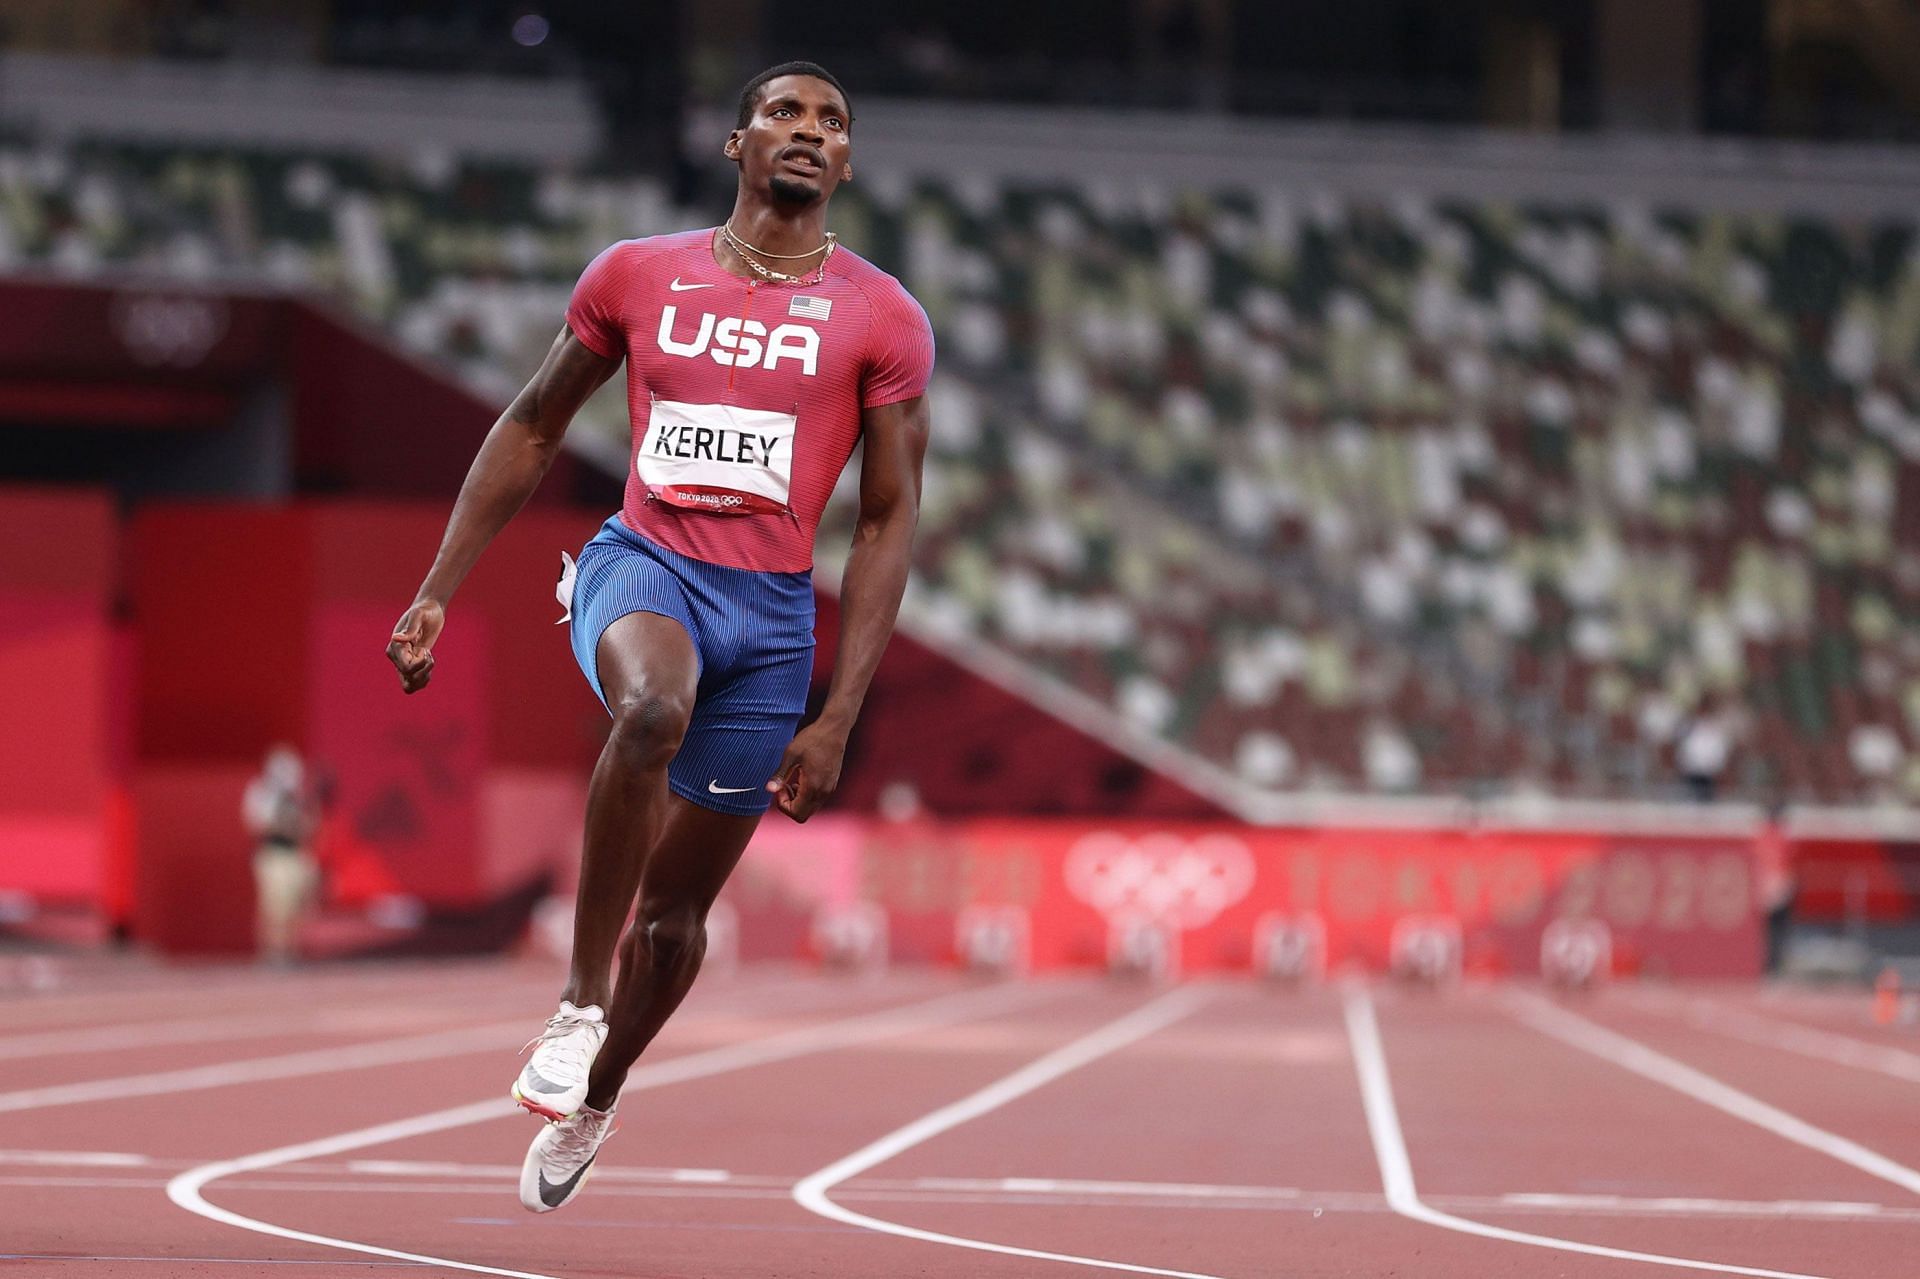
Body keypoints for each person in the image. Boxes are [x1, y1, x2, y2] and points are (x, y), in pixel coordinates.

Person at [384, 61, 932, 1214]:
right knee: (650, 710)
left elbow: (887, 519)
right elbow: (535, 425)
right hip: (644, 565)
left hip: (773, 621)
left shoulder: (882, 317)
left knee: (678, 921)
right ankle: (579, 1004)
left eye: (831, 123)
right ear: (736, 143)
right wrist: (440, 583)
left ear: (846, 163)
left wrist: (839, 712)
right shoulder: (637, 275)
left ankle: (601, 1090)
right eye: (784, 113)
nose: (808, 132)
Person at [241, 744, 320, 965]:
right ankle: (272, 950)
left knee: (295, 903)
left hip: (295, 853)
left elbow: (310, 826)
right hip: (273, 852)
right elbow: (257, 823)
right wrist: (281, 816)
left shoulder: (300, 795)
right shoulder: (261, 791)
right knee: (274, 903)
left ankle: (290, 948)